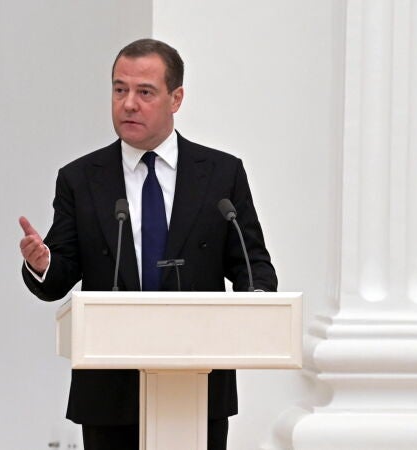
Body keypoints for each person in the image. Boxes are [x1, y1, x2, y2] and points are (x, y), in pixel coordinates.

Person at [19, 38, 277, 450]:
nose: (128, 104)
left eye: (144, 92)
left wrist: (257, 304)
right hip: (109, 390)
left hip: (198, 383)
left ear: (176, 99)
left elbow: (252, 265)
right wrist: (42, 263)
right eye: (119, 90)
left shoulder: (221, 174)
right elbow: (59, 276)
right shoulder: (80, 179)